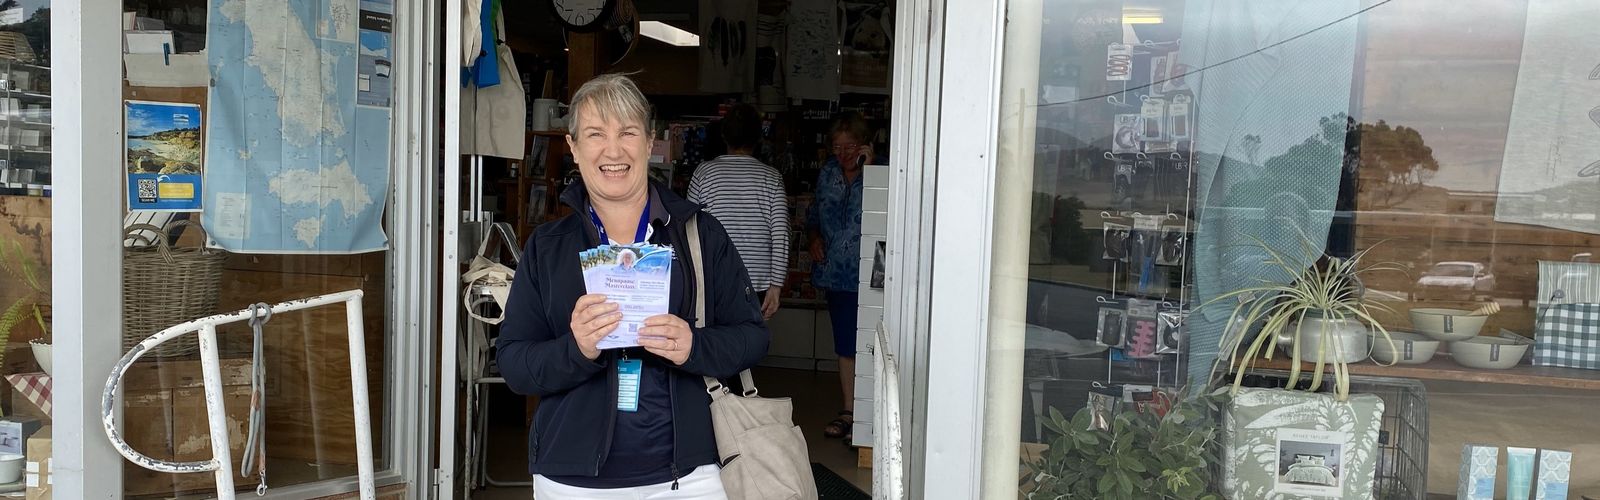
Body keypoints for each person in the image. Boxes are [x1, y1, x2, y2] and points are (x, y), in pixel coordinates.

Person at [497, 73, 769, 499]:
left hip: (689, 481)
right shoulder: (548, 248)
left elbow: (752, 339)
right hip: (572, 483)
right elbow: (514, 364)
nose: (613, 150)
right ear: (573, 148)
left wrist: (694, 347)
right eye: (594, 134)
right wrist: (577, 348)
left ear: (649, 141)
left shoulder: (699, 235)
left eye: (627, 132)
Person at [687, 103, 790, 320]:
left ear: (724, 135)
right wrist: (776, 285)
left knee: (716, 346)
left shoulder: (704, 173)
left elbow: (689, 229)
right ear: (759, 136)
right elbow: (781, 235)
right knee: (749, 346)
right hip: (756, 283)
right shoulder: (771, 178)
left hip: (713, 278)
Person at [807, 112, 875, 441]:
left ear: (863, 145)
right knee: (846, 344)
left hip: (873, 273)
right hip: (838, 272)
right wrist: (814, 238)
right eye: (837, 147)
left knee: (871, 345)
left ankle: (870, 413)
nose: (843, 154)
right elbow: (813, 215)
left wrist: (872, 171)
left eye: (849, 147)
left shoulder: (881, 171)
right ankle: (849, 411)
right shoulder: (828, 173)